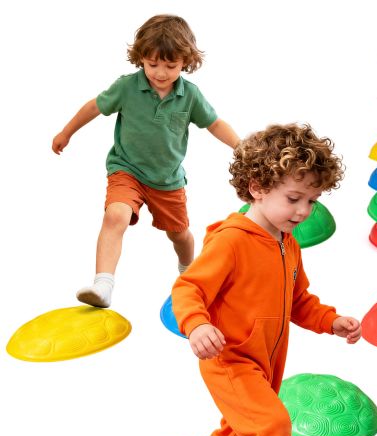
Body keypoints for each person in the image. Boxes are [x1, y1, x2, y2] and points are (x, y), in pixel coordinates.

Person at [171, 123, 362, 436]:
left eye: (312, 200)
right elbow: (188, 288)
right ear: (257, 188)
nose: (304, 211)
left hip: (266, 361)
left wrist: (330, 321)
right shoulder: (231, 242)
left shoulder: (287, 243)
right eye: (294, 198)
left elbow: (299, 301)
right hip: (228, 359)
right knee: (272, 425)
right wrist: (197, 324)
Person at [52, 14, 239, 308]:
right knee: (115, 216)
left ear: (185, 61)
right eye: (153, 64)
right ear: (141, 58)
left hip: (167, 180)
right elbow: (94, 107)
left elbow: (214, 124)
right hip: (126, 169)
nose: (161, 73)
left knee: (180, 235)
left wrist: (240, 146)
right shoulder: (127, 87)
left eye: (171, 66)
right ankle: (103, 285)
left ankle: (189, 276)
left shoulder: (190, 95)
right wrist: (67, 132)